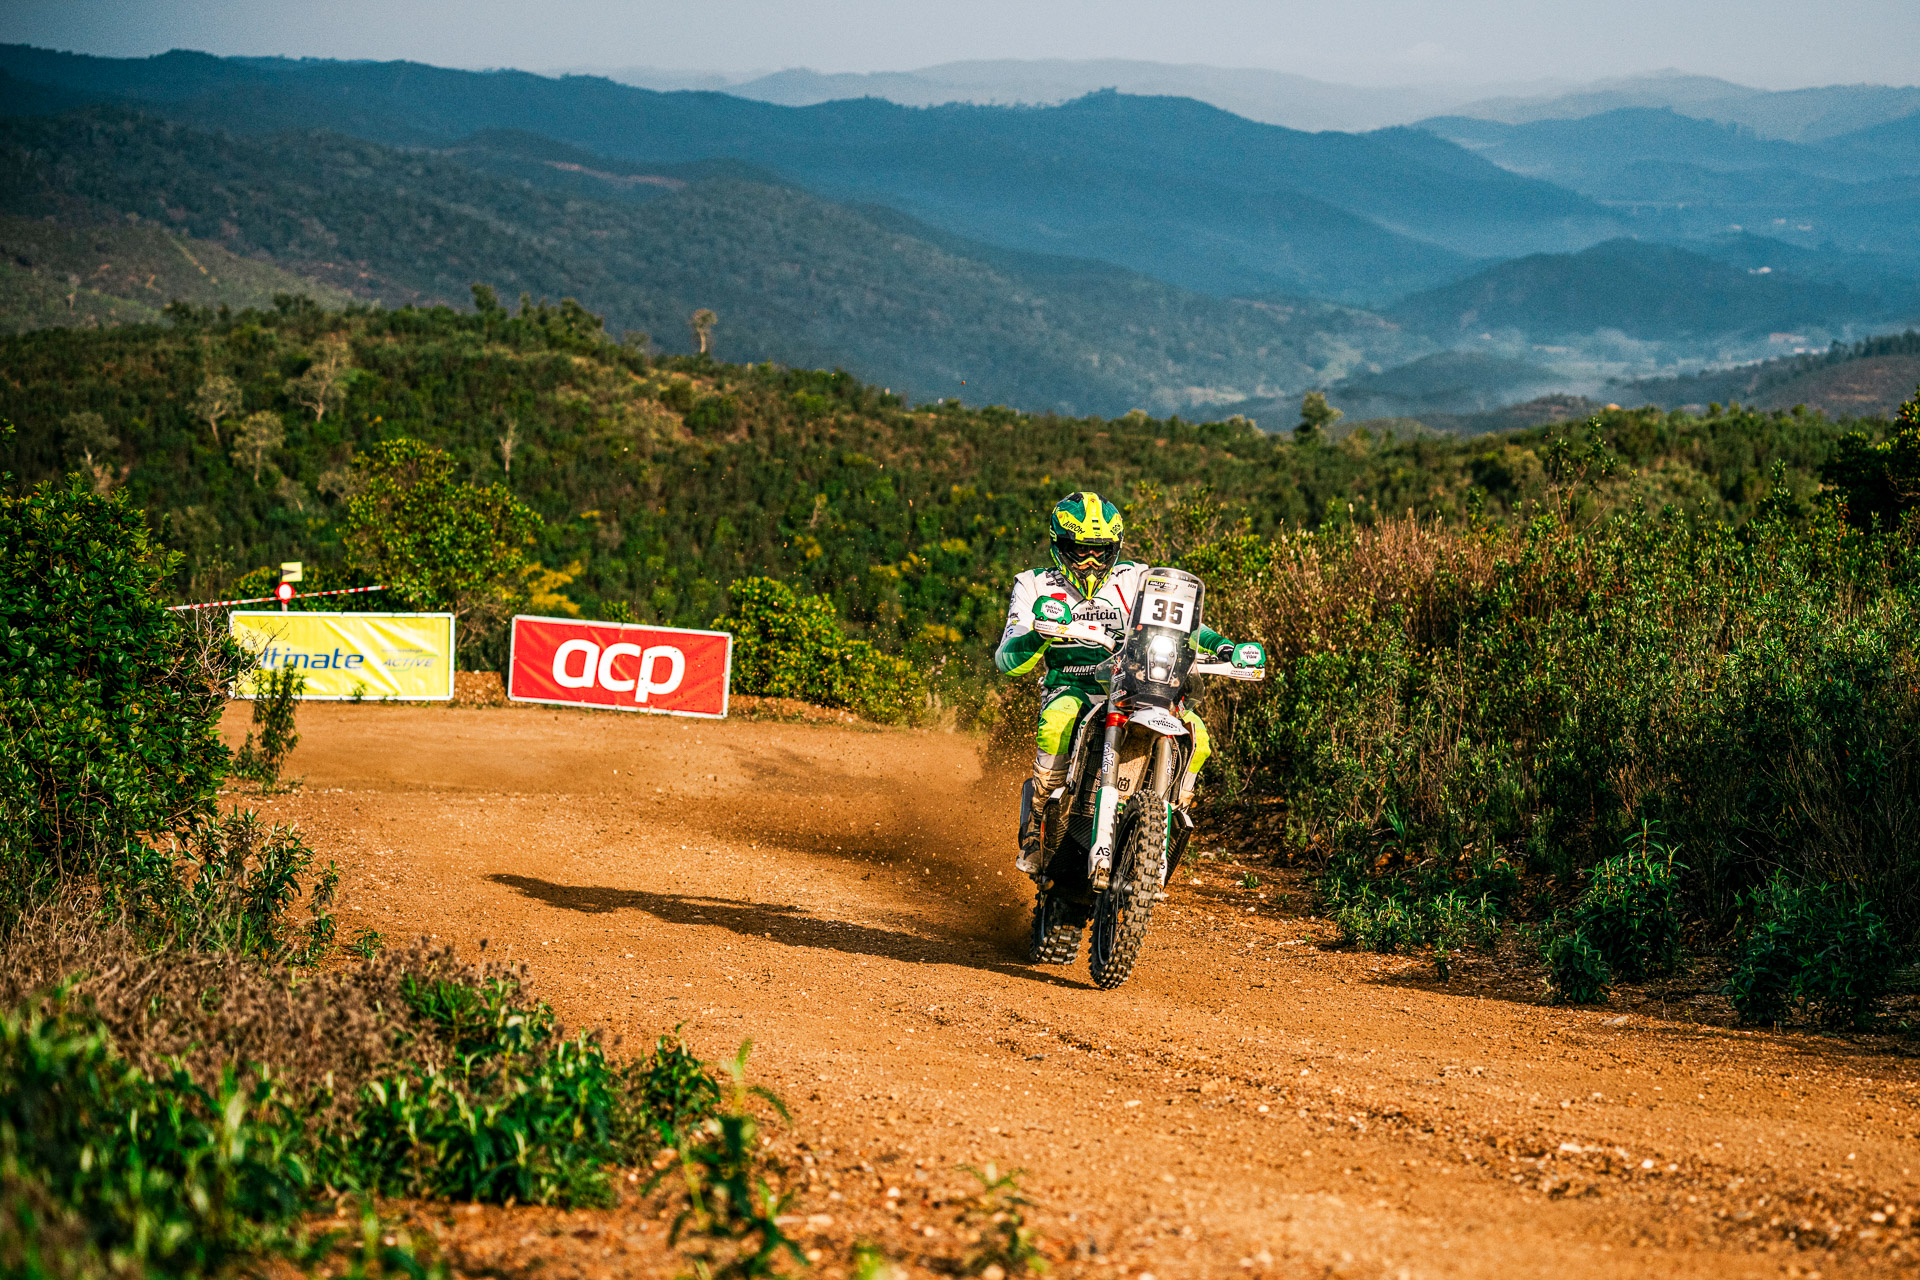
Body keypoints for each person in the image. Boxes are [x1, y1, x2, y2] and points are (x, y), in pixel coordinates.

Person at [993, 491, 1261, 875]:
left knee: (1198, 735)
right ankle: (1037, 822)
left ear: (1115, 548)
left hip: (1136, 685)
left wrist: (1222, 646)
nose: (1090, 561)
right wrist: (1038, 633)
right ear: (1060, 545)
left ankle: (1170, 815)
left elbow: (1183, 619)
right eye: (1080, 550)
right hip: (1073, 686)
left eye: (1100, 551)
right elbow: (1007, 660)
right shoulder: (1034, 584)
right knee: (1058, 722)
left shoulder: (1137, 577)